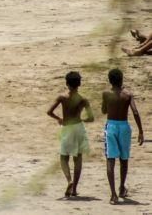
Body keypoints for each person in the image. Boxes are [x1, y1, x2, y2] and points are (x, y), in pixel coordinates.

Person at [48, 70, 95, 199]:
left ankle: (69, 180)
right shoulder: (83, 99)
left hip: (67, 127)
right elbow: (91, 118)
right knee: (78, 158)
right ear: (79, 84)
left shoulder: (62, 97)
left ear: (67, 83)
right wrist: (82, 120)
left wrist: (59, 119)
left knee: (63, 157)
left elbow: (49, 111)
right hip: (79, 127)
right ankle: (74, 189)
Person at [102, 68, 144, 203]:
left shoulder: (106, 94)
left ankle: (113, 194)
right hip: (124, 126)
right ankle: (121, 188)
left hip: (111, 126)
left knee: (110, 159)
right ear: (121, 80)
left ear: (110, 81)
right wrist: (141, 131)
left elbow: (103, 110)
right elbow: (136, 112)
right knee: (124, 159)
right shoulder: (128, 94)